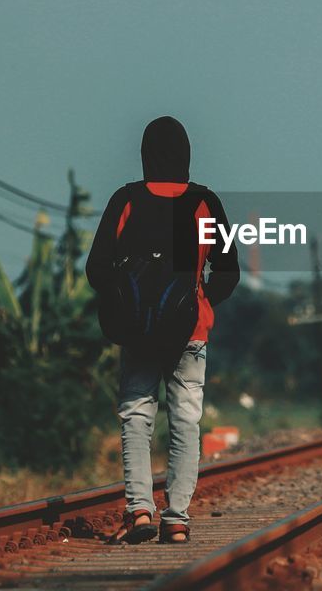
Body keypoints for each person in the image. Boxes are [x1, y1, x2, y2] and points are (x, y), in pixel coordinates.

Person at [85, 116, 239, 544]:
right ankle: (176, 519)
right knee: (186, 420)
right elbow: (228, 272)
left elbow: (96, 268)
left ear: (145, 156)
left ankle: (139, 513)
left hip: (137, 332)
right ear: (186, 157)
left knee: (137, 416)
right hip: (191, 331)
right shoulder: (204, 203)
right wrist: (199, 297)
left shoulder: (126, 200)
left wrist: (127, 301)